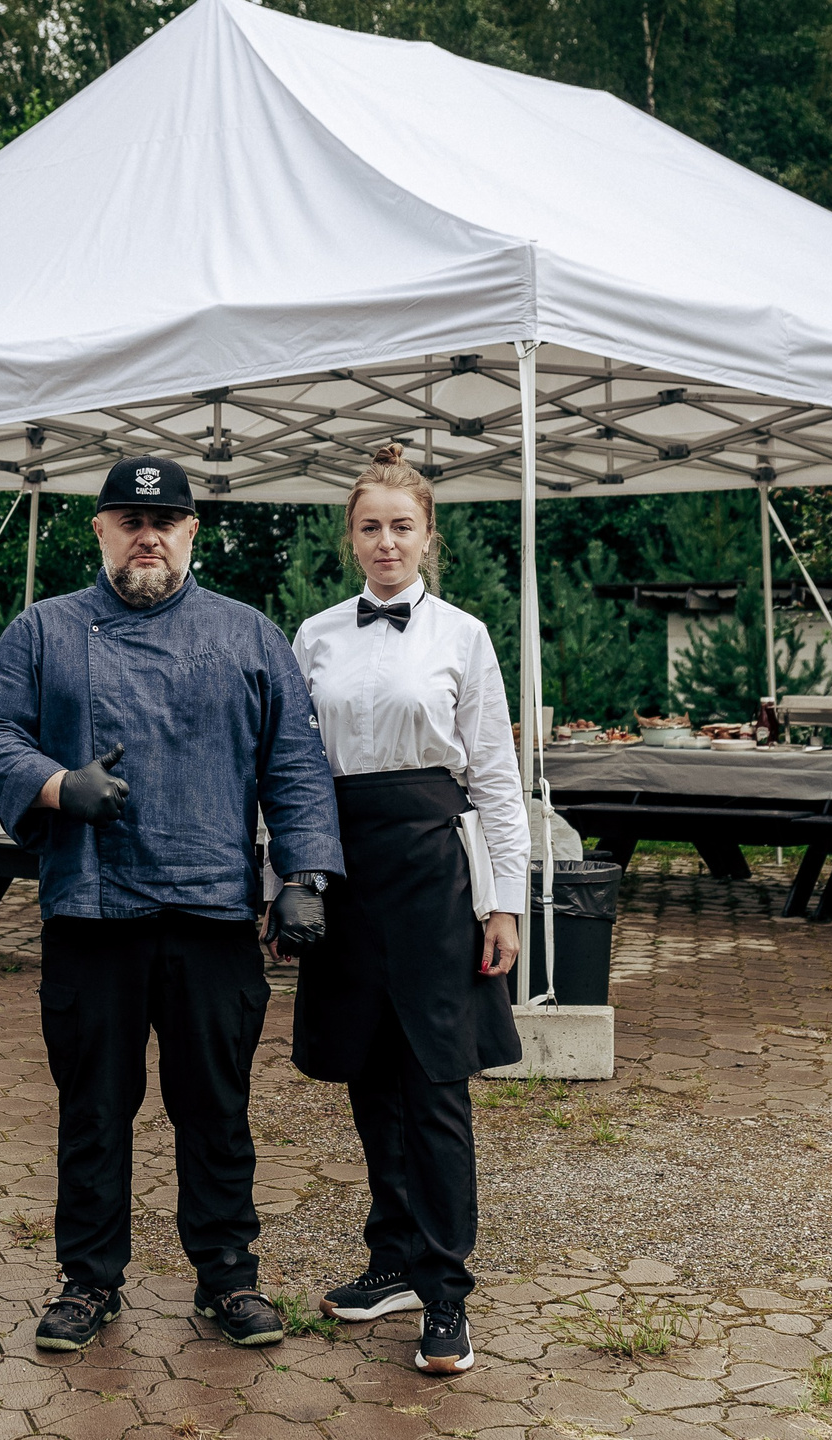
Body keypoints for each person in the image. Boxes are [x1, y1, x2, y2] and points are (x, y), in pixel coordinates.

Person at [0, 456, 344, 1353]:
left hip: (212, 911)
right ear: (98, 531)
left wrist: (304, 878)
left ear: (192, 535)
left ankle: (228, 1278)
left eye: (165, 520)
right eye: (129, 519)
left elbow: (294, 764)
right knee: (93, 1107)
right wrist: (56, 786)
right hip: (93, 912)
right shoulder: (45, 631)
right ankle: (89, 1280)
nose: (148, 535)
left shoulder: (249, 634)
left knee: (216, 1105)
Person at [289, 442, 527, 1375]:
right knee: (367, 1071)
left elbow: (497, 781)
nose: (385, 542)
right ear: (350, 538)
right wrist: (288, 880)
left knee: (435, 1083)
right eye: (369, 527)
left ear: (429, 536)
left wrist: (503, 903)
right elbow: (294, 771)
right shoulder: (313, 636)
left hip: (434, 875)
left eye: (402, 526)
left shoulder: (464, 635)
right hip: (345, 871)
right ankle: (390, 1257)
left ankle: (446, 1292)